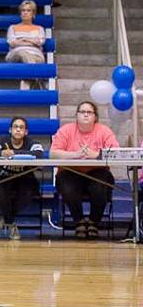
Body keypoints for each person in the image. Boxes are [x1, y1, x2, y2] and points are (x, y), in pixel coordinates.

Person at [49, 101, 120, 239]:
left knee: (100, 186)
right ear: (77, 115)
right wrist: (74, 155)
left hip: (97, 171)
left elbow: (115, 152)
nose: (86, 115)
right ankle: (79, 221)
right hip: (70, 171)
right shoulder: (66, 130)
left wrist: (96, 155)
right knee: (67, 186)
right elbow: (53, 153)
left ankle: (94, 222)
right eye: (82, 112)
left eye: (89, 112)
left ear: (95, 116)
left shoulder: (104, 130)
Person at [0, 117, 44, 240]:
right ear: (10, 130)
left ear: (26, 132)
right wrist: (1, 153)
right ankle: (11, 223)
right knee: (0, 190)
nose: (18, 130)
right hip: (5, 178)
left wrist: (15, 154)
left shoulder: (33, 143)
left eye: (21, 127)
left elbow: (39, 154)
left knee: (29, 192)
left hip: (26, 179)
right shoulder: (0, 141)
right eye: (15, 127)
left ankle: (5, 220)